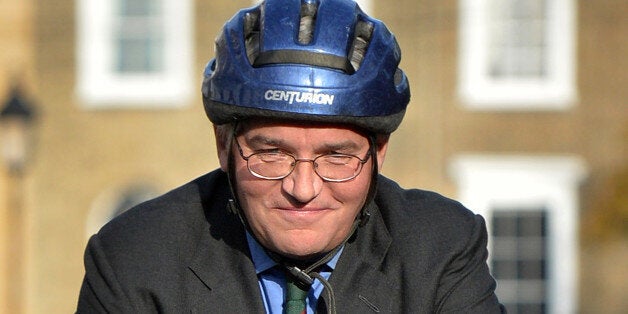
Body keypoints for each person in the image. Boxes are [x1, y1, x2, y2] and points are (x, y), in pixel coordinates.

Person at [77, 0, 504, 313]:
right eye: (271, 153)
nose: (303, 189)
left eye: (336, 157)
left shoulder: (442, 248)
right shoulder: (134, 259)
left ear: (379, 152)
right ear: (224, 146)